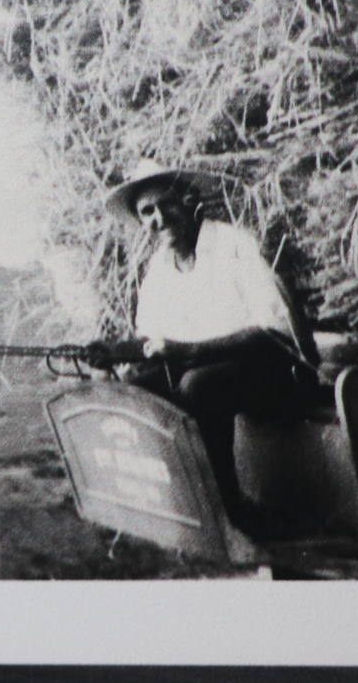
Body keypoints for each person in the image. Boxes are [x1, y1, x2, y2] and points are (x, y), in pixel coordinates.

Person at [86, 159, 323, 526]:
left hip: (276, 369)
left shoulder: (233, 244)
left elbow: (274, 332)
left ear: (190, 200)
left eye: (167, 204)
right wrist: (114, 351)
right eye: (147, 212)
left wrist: (190, 351)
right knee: (138, 387)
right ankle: (175, 505)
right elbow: (151, 339)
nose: (159, 218)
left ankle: (229, 512)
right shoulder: (159, 268)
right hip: (210, 369)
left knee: (198, 385)